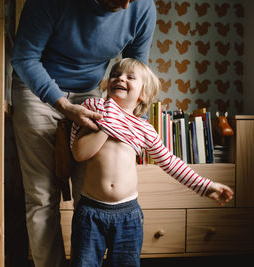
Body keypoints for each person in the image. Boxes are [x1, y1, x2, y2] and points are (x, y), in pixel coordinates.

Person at [10, 0, 157, 266]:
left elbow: (138, 70)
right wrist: (64, 105)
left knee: (89, 196)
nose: (126, 5)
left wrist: (136, 127)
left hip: (90, 95)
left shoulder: (142, 7)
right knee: (41, 197)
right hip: (36, 89)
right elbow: (24, 57)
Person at [70, 58, 234, 267]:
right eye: (115, 74)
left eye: (130, 77)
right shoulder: (94, 110)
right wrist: (107, 120)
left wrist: (206, 186)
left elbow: (170, 163)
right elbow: (79, 153)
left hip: (128, 215)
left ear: (143, 95)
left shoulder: (143, 128)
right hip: (91, 211)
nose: (120, 78)